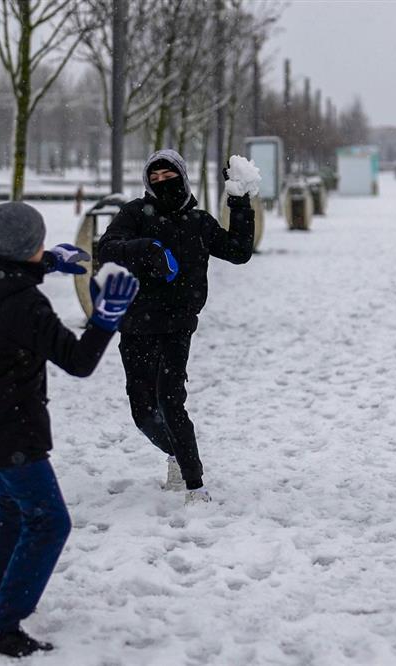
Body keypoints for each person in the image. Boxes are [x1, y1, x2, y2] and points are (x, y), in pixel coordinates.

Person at [0, 202, 139, 659]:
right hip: (10, 428)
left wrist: (47, 261)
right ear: (24, 248)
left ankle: (2, 597)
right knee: (51, 522)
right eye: (39, 243)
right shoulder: (25, 305)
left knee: (15, 504)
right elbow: (78, 362)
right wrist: (106, 318)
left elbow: (10, 268)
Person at [98, 149, 255, 504]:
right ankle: (174, 452)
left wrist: (240, 203)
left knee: (170, 401)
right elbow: (107, 248)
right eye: (154, 179)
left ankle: (194, 484)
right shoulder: (135, 214)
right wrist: (146, 249)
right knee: (142, 412)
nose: (162, 183)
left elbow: (238, 250)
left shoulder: (199, 222)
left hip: (178, 324)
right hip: (136, 324)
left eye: (168, 177)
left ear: (182, 178)